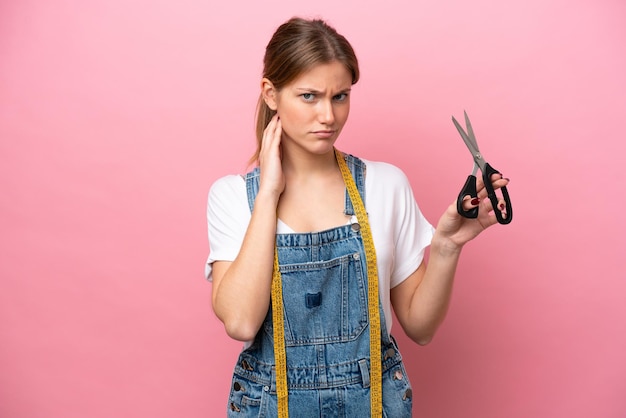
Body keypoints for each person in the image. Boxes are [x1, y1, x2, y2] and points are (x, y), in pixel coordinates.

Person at [205, 17, 509, 417]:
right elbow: (241, 322)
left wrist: (447, 246)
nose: (328, 116)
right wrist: (268, 196)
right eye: (309, 96)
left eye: (340, 96)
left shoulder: (387, 185)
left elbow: (421, 327)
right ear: (271, 94)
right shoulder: (232, 197)